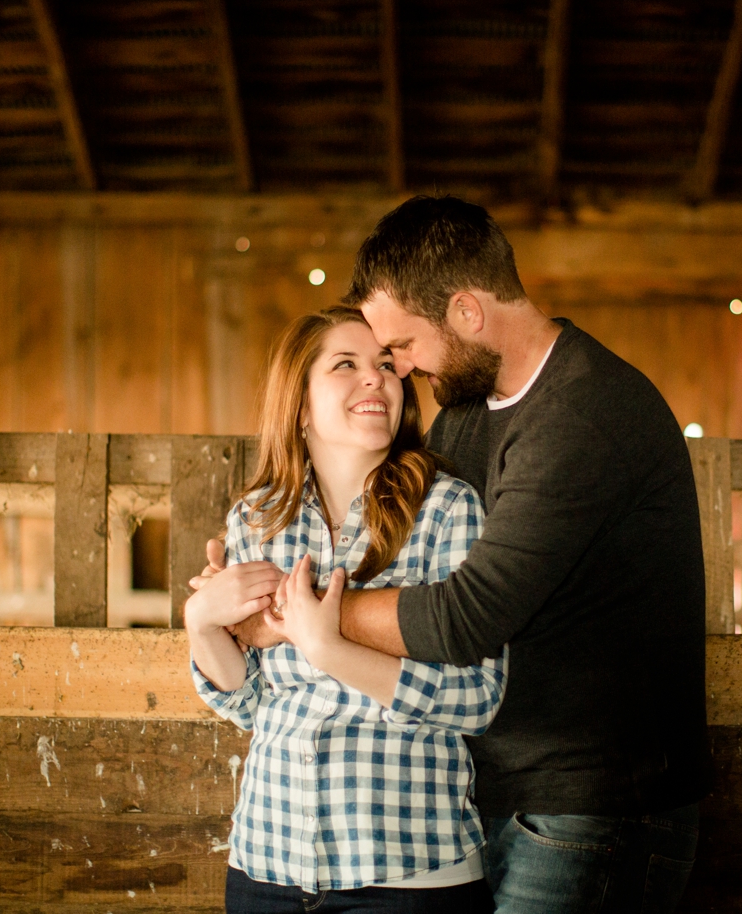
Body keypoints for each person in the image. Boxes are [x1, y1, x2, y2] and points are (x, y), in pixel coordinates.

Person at [207, 195, 711, 913]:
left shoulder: (586, 414)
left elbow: (466, 616)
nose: (400, 370)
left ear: (468, 313)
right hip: (494, 797)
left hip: (595, 805)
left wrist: (292, 612)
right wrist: (236, 594)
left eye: (401, 347)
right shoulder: (472, 413)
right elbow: (419, 553)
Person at [184, 305, 506, 913]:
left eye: (386, 364)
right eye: (346, 365)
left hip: (408, 871)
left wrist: (327, 646)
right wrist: (201, 623)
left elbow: (477, 698)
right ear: (300, 405)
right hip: (267, 865)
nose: (376, 377)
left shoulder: (445, 508)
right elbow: (248, 701)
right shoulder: (256, 518)